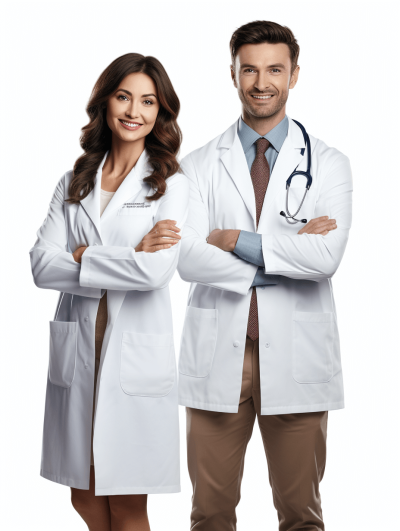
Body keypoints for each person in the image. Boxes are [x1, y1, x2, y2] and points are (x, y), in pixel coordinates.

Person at [177, 20, 352, 531]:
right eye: (249, 69)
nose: (261, 82)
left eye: (274, 69)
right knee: (209, 513)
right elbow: (186, 259)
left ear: (294, 74)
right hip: (218, 354)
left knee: (300, 514)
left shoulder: (330, 164)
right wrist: (284, 256)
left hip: (297, 353)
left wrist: (232, 241)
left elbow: (326, 258)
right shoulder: (196, 166)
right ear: (232, 74)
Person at [29, 53, 189, 530]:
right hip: (81, 346)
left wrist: (80, 256)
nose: (133, 111)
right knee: (84, 493)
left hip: (132, 354)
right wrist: (121, 256)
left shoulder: (170, 185)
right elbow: (40, 265)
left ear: (160, 113)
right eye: (124, 97)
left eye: (148, 101)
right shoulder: (75, 181)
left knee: (126, 501)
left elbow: (156, 271)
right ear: (105, 102)